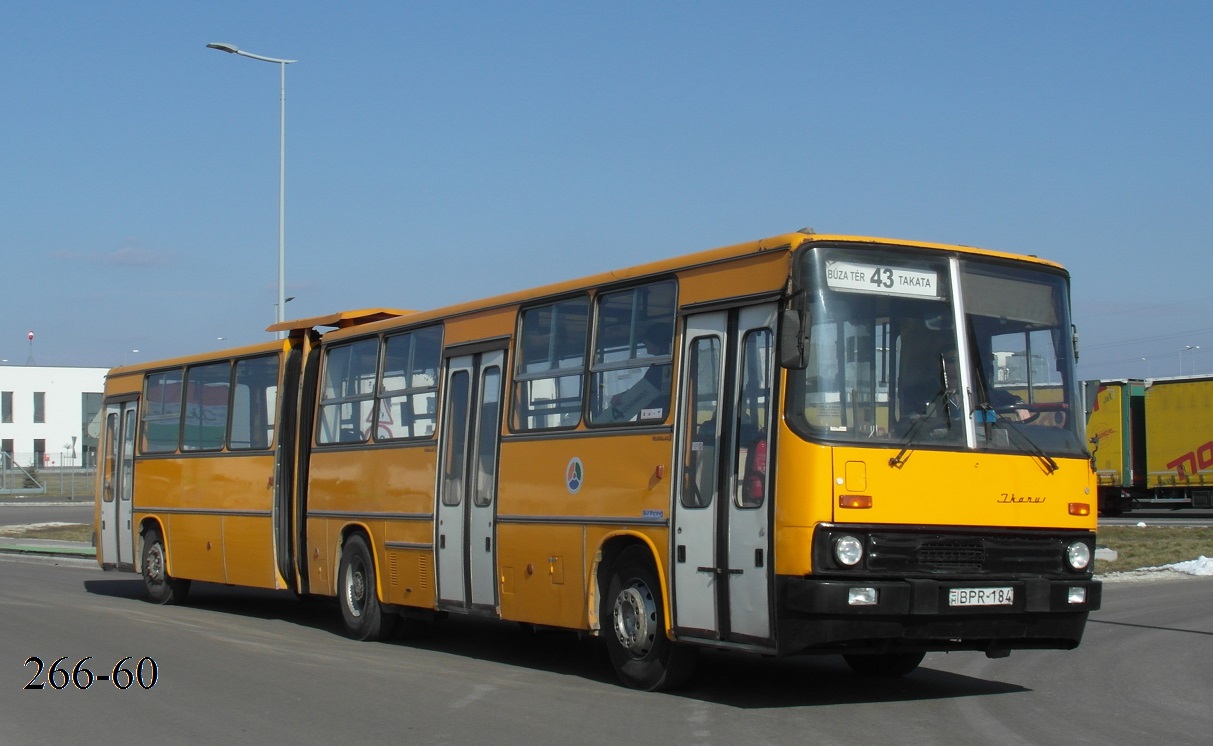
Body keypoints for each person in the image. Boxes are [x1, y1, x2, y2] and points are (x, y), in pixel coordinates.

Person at [606, 323, 672, 422]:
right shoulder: (665, 360)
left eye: (647, 339)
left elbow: (647, 388)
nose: (644, 343)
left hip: (655, 418)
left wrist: (623, 397)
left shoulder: (662, 363)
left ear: (656, 339)